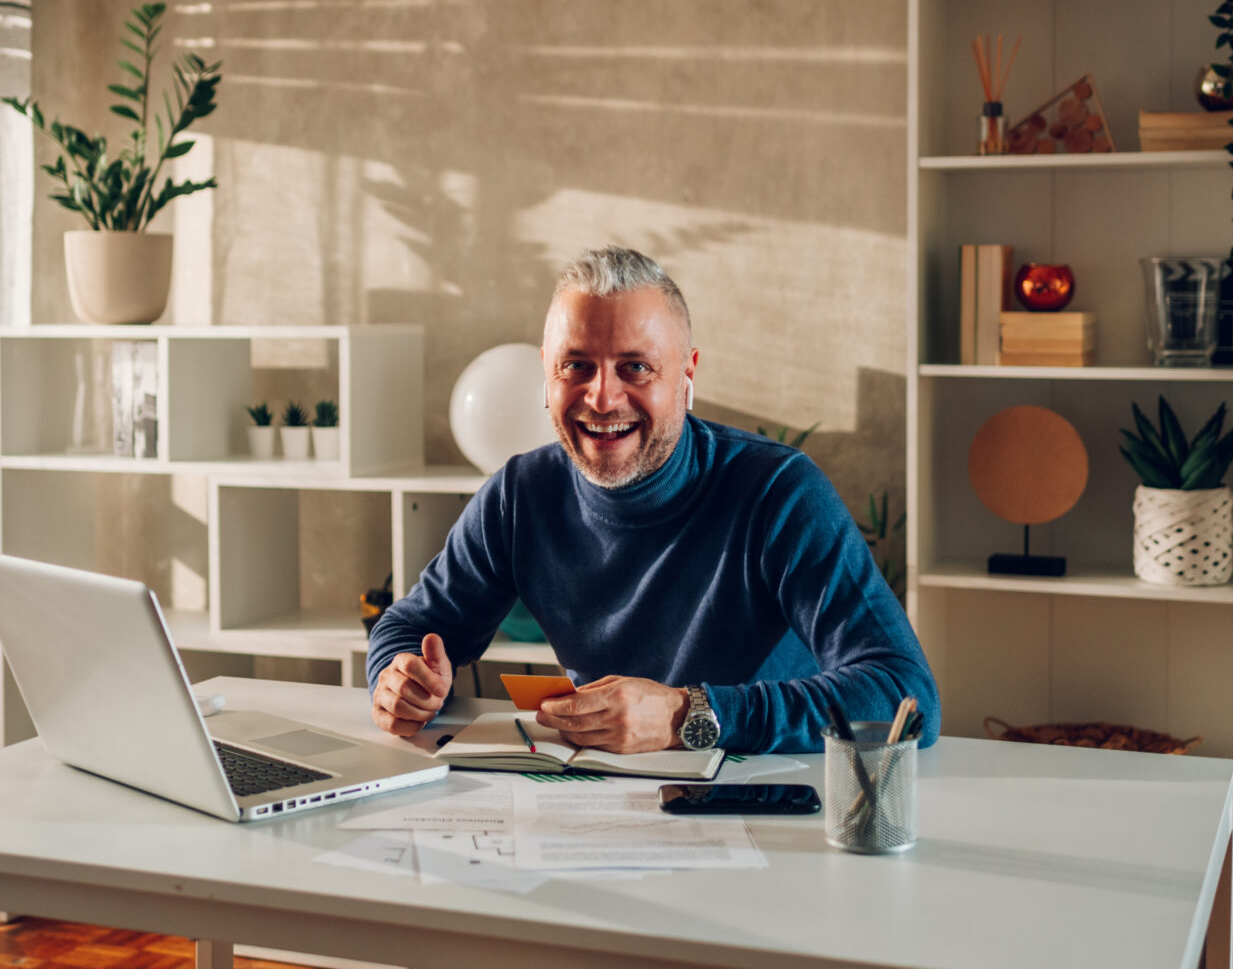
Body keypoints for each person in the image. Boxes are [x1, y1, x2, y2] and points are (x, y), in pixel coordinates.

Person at [366, 246, 939, 754]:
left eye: (635, 367)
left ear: (687, 376)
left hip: (764, 802)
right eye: (577, 366)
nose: (602, 397)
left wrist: (686, 716)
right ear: (546, 374)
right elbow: (409, 628)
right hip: (595, 801)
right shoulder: (519, 495)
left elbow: (905, 693)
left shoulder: (778, 491)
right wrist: (401, 679)